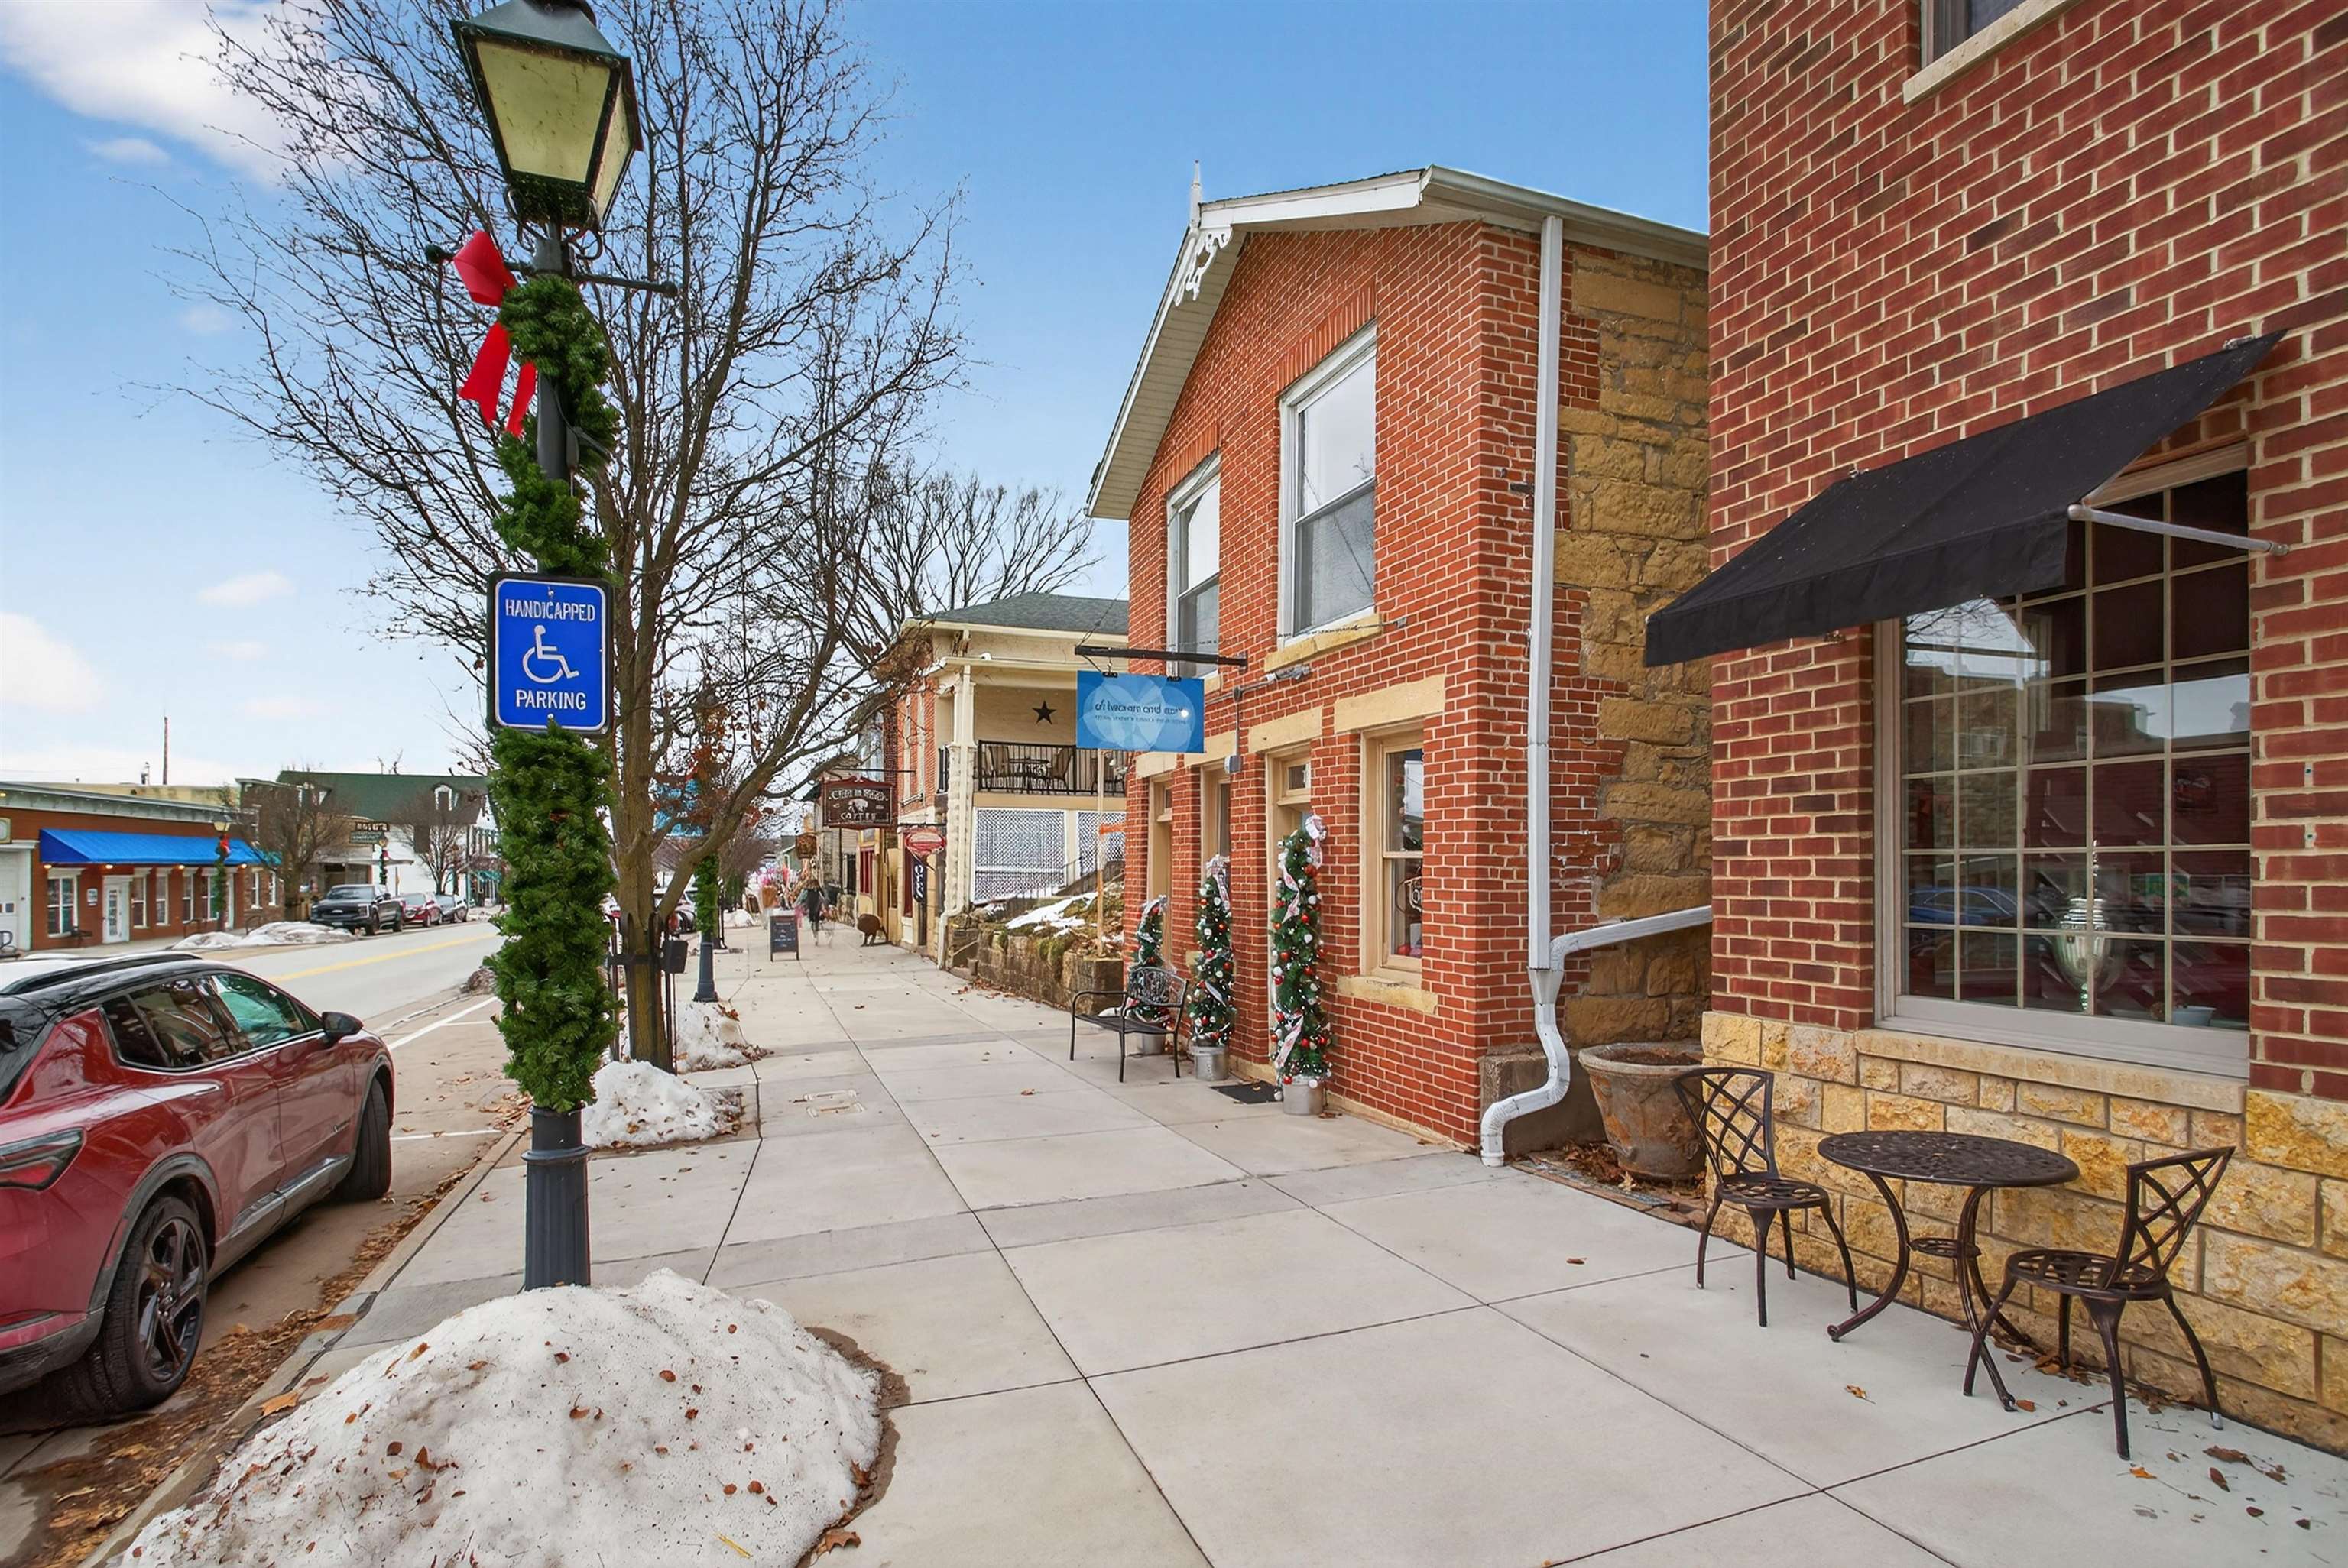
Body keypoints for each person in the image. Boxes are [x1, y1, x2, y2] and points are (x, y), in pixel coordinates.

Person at [798, 871, 828, 941]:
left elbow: (823, 896)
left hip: (817, 906)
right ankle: (814, 934)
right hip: (811, 906)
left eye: (815, 884)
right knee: (812, 921)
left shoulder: (819, 890)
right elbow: (803, 893)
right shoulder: (809, 890)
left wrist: (824, 904)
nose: (814, 885)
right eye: (813, 884)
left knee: (816, 921)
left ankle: (816, 935)